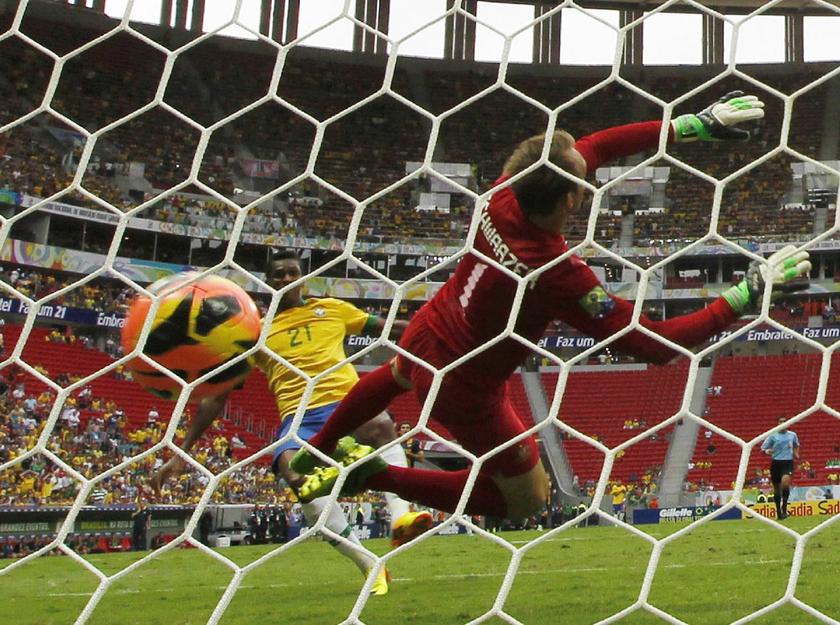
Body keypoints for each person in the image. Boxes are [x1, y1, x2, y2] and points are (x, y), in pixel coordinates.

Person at [291, 92, 811, 522]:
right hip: (465, 385)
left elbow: (597, 145)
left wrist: (689, 127)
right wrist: (745, 295)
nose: (589, 166)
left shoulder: (503, 194)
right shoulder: (556, 273)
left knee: (397, 373)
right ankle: (377, 476)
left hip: (432, 328)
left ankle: (317, 447)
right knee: (525, 500)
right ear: (571, 200)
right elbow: (651, 345)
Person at [151, 249, 433, 596]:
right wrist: (181, 453)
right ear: (268, 283)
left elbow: (387, 328)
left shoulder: (333, 309)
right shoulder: (254, 333)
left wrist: (434, 331)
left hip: (346, 402)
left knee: (380, 424)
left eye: (292, 273)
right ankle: (368, 564)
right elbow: (217, 398)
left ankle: (401, 518)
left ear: (303, 278)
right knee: (293, 472)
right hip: (300, 417)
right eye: (279, 274)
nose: (286, 279)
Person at [761, 416, 800, 520]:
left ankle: (784, 508)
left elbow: (796, 445)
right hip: (776, 463)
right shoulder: (773, 435)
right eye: (781, 421)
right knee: (777, 489)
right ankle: (779, 511)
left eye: (785, 421)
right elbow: (763, 448)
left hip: (788, 462)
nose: (783, 423)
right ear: (778, 423)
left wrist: (796, 453)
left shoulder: (792, 435)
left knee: (785, 483)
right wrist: (767, 451)